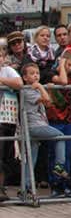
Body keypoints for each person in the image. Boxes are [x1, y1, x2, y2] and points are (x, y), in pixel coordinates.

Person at [18, 63, 71, 198]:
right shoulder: (27, 90)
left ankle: (26, 187)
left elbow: (49, 102)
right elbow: (45, 99)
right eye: (32, 73)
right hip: (34, 126)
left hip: (39, 124)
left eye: (37, 73)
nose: (36, 76)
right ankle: (59, 166)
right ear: (24, 77)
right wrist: (41, 87)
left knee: (31, 158)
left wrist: (48, 89)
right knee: (60, 136)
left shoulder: (35, 89)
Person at [47, 52, 71, 198]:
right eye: (68, 64)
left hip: (69, 120)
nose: (70, 68)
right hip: (55, 120)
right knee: (55, 154)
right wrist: (61, 64)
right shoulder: (52, 75)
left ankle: (65, 183)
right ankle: (55, 184)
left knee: (67, 154)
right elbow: (63, 81)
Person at [0, 55, 23, 202]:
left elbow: (19, 83)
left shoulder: (7, 70)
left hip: (8, 117)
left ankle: (1, 187)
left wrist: (1, 81)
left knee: (5, 155)